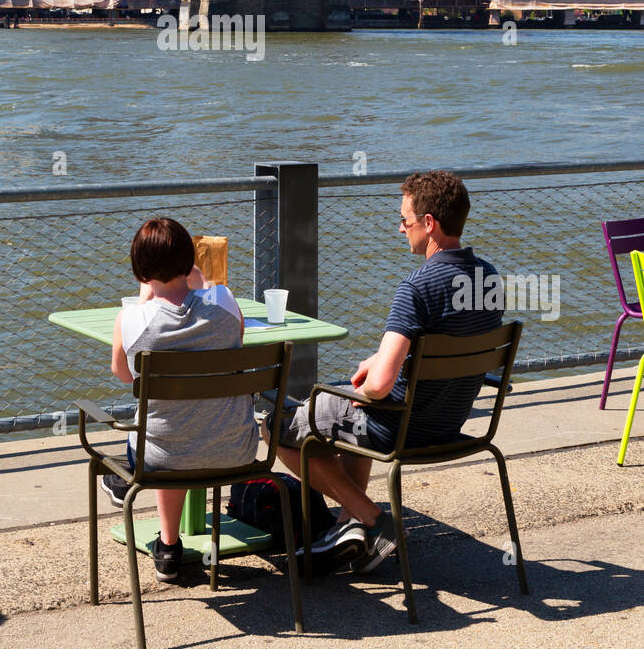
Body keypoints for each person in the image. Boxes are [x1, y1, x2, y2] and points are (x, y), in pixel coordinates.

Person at [266, 170, 504, 575]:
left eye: (405, 220)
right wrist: (379, 361)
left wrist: (372, 376)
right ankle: (348, 528)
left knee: (279, 426)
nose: (400, 229)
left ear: (429, 224)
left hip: (400, 429)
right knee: (342, 411)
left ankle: (375, 521)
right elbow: (446, 343)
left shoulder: (416, 287)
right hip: (449, 424)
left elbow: (377, 388)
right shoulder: (488, 277)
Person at [103, 216, 259, 583]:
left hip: (161, 457)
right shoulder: (223, 301)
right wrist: (199, 278)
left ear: (140, 269)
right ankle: (169, 544)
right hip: (236, 450)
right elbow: (234, 334)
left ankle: (166, 544)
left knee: (167, 434)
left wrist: (146, 298)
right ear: (190, 260)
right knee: (187, 426)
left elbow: (124, 374)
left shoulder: (130, 319)